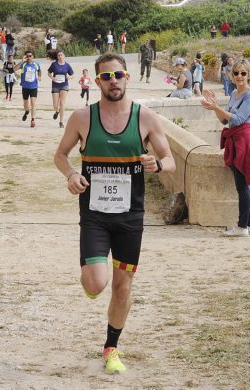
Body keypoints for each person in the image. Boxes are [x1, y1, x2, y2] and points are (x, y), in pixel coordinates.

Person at [53, 52, 176, 374]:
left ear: (127, 77)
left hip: (130, 218)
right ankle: (92, 282)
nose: (113, 81)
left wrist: (158, 163)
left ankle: (111, 347)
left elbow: (170, 160)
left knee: (123, 287)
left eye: (118, 75)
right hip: (94, 215)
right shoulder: (82, 118)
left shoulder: (145, 118)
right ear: (97, 82)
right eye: (106, 77)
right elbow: (61, 155)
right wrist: (70, 175)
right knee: (96, 284)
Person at [201, 59, 250, 237]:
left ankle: (242, 227)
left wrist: (217, 107)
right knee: (242, 186)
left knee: (242, 186)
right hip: (234, 140)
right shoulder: (234, 94)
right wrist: (214, 109)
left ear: (249, 75)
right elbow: (225, 121)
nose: (240, 76)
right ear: (232, 76)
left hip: (243, 141)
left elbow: (239, 119)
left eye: (243, 73)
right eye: (236, 73)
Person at [47, 50, 74, 128]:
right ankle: (57, 111)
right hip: (55, 85)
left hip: (64, 85)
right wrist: (52, 78)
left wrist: (69, 77)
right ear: (57, 57)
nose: (60, 56)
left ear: (64, 56)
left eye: (61, 55)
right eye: (58, 55)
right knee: (55, 105)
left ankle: (61, 122)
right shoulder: (54, 64)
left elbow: (72, 75)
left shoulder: (67, 65)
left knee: (62, 103)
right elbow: (49, 73)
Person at [15, 50, 42, 127]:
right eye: (27, 56)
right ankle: (26, 111)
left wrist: (39, 76)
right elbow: (14, 69)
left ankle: (33, 119)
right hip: (25, 87)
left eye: (30, 56)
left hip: (34, 86)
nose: (29, 57)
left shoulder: (36, 64)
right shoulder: (23, 65)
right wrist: (21, 61)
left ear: (33, 57)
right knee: (26, 103)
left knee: (33, 103)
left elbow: (39, 70)